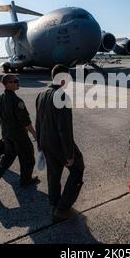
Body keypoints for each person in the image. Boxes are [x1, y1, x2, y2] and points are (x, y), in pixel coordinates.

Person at [35, 65, 85, 223]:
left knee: (53, 175)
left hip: (46, 142)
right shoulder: (62, 96)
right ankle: (62, 209)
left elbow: (38, 121)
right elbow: (65, 129)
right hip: (59, 145)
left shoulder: (41, 94)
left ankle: (54, 204)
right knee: (77, 169)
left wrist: (40, 143)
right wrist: (69, 154)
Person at [0, 74, 39, 194]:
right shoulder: (17, 101)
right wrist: (34, 134)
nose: (17, 83)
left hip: (6, 133)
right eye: (15, 81)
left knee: (7, 157)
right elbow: (25, 121)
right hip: (18, 134)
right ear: (8, 84)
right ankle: (26, 180)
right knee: (27, 157)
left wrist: (5, 127)